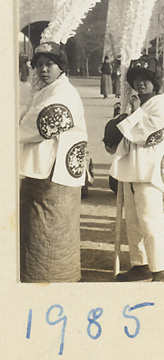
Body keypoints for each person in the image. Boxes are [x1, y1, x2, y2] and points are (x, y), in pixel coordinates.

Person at [19, 42, 88, 282]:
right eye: (39, 65)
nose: (43, 69)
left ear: (61, 67)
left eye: (50, 64)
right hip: (47, 169)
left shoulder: (63, 92)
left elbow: (46, 122)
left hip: (54, 173)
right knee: (41, 228)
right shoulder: (49, 90)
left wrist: (16, 126)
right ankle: (39, 275)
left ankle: (52, 279)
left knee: (51, 229)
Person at [107, 56, 164, 282]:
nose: (141, 83)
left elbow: (150, 134)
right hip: (131, 169)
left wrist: (133, 115)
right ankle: (140, 263)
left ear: (155, 82)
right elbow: (123, 135)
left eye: (146, 79)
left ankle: (159, 269)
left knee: (150, 218)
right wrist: (123, 117)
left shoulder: (160, 108)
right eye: (136, 79)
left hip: (150, 170)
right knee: (134, 220)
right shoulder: (137, 105)